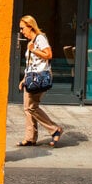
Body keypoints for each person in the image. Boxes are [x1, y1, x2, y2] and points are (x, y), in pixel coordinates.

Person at [17, 15, 63, 148]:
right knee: (27, 108)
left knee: (32, 107)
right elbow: (31, 63)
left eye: (22, 28)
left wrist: (34, 50)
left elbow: (49, 55)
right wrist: (24, 79)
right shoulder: (31, 41)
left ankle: (55, 129)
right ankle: (30, 138)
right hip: (31, 77)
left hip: (39, 77)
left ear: (30, 26)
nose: (21, 31)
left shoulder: (40, 38)